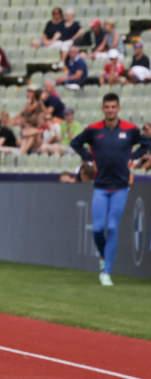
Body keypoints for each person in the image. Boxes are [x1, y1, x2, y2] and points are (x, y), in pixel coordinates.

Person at [70, 94, 151, 286]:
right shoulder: (93, 129)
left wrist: (136, 157)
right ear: (102, 109)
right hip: (100, 186)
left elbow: (147, 143)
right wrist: (88, 158)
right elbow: (75, 143)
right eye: (107, 107)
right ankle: (103, 256)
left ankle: (106, 272)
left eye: (113, 107)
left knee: (112, 227)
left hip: (121, 186)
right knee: (98, 229)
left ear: (119, 109)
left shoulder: (130, 129)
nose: (110, 110)